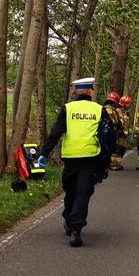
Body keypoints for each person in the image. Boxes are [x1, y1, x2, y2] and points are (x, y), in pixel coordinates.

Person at [37, 77, 113, 247]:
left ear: (77, 91)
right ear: (90, 91)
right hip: (90, 156)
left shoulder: (68, 109)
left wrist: (44, 153)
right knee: (83, 192)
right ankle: (74, 226)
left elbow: (56, 132)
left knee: (71, 191)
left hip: (71, 158)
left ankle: (73, 226)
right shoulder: (99, 109)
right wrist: (107, 159)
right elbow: (108, 135)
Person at [104, 91, 125, 170]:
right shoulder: (109, 109)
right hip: (109, 132)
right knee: (110, 148)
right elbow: (111, 120)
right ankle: (111, 164)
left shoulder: (112, 109)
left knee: (113, 148)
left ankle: (112, 164)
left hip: (112, 131)